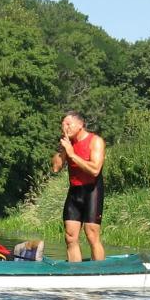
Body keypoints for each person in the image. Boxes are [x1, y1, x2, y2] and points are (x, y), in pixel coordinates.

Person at [51, 111, 106, 262]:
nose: (65, 127)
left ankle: (99, 270)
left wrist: (72, 154)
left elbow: (95, 170)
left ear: (80, 124)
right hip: (75, 191)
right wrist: (64, 149)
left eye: (68, 124)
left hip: (92, 190)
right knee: (70, 236)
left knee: (92, 234)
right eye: (63, 125)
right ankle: (75, 270)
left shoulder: (95, 141)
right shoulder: (67, 144)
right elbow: (55, 168)